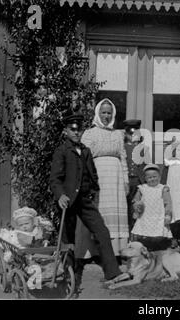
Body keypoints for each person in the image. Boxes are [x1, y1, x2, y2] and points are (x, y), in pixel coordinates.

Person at [50, 113, 127, 287]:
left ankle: (112, 273)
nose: (76, 133)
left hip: (84, 200)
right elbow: (55, 179)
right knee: (68, 240)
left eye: (79, 129)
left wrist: (94, 190)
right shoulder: (62, 151)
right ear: (66, 131)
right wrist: (60, 195)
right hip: (67, 201)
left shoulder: (86, 150)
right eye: (73, 129)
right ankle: (66, 274)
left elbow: (93, 175)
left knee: (102, 231)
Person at [74, 98, 129, 263]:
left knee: (115, 213)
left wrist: (126, 181)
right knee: (98, 212)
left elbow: (123, 158)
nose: (106, 116)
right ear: (98, 113)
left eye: (109, 113)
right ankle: (94, 252)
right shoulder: (90, 134)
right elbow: (82, 159)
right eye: (103, 112)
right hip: (98, 176)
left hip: (116, 178)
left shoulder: (118, 134)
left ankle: (115, 252)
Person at [130, 164, 173, 251]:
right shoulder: (142, 188)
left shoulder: (163, 188)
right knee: (144, 234)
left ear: (159, 177)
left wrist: (168, 214)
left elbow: (168, 203)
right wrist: (136, 209)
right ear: (145, 179)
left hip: (158, 216)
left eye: (154, 177)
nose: (152, 179)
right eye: (149, 177)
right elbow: (136, 200)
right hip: (145, 216)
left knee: (159, 235)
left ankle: (159, 249)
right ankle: (146, 248)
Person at [123, 119, 152, 231]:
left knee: (137, 208)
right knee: (125, 207)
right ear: (126, 134)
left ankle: (137, 231)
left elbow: (147, 165)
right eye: (130, 133)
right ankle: (127, 231)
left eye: (135, 133)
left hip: (138, 181)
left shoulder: (143, 148)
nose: (132, 136)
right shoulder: (123, 147)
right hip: (125, 181)